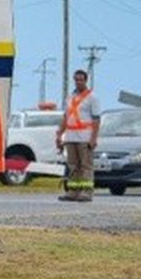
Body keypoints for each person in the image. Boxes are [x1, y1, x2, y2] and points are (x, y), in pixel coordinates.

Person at [55, 69, 101, 202]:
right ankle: (73, 191)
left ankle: (86, 192)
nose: (78, 82)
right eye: (76, 80)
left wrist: (93, 138)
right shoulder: (70, 98)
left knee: (85, 166)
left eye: (81, 79)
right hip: (71, 137)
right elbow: (66, 118)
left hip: (85, 137)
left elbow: (96, 120)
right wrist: (59, 134)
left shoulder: (92, 98)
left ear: (86, 81)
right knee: (73, 166)